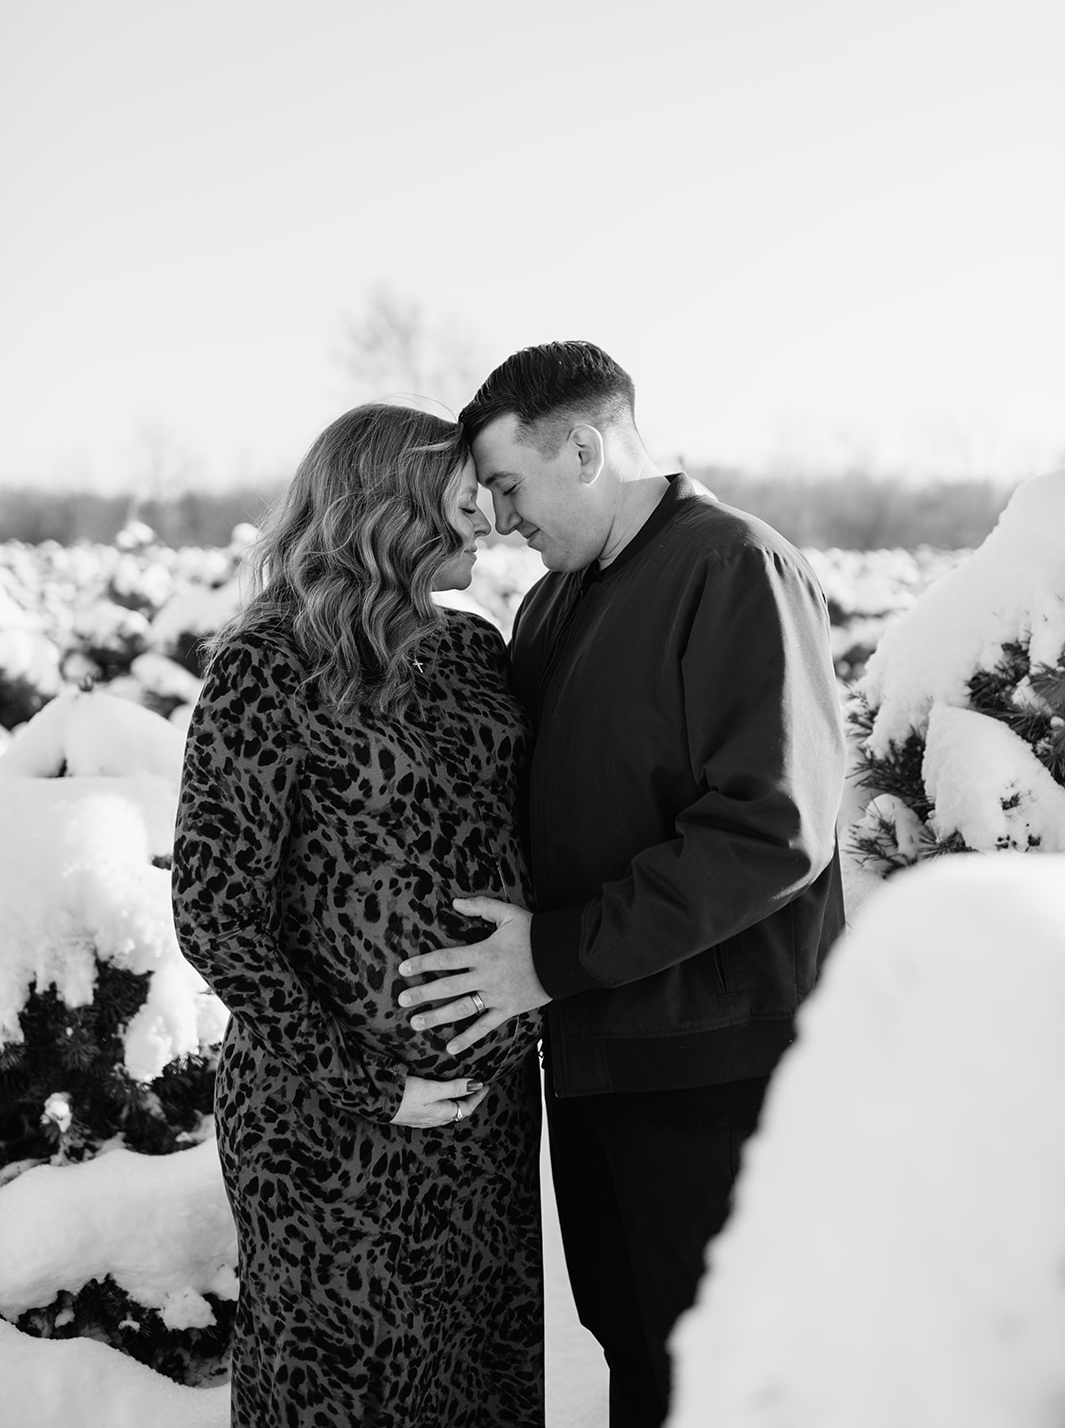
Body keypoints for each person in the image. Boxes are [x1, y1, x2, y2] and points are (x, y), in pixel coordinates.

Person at [397, 342, 847, 1428]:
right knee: (633, 1349)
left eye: (506, 485)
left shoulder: (731, 566)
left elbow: (770, 831)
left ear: (586, 447)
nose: (497, 520)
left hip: (717, 1066)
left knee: (722, 1375)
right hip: (597, 1060)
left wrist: (550, 955)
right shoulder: (552, 609)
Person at [171, 403, 545, 1428]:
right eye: (463, 492)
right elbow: (214, 910)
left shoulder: (475, 651)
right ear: (392, 504)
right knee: (340, 1393)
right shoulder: (270, 662)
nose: (485, 517)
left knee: (476, 1381)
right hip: (328, 1128)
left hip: (484, 1119)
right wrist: (375, 1085)